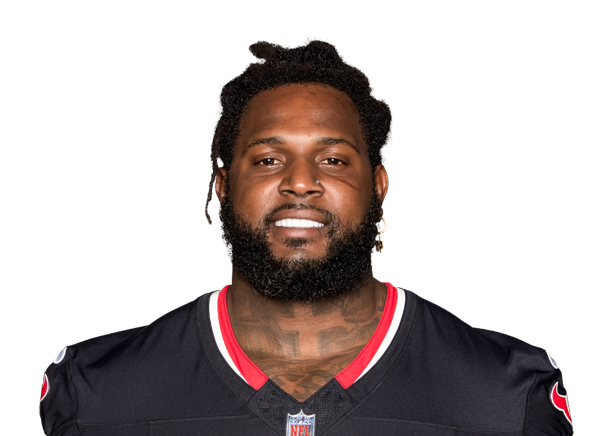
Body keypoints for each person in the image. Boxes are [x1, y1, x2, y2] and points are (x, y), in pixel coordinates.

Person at [39, 38, 573, 436]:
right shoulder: (97, 392)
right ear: (222, 184)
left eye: (333, 159)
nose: (300, 182)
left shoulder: (505, 393)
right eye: (268, 159)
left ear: (379, 185)